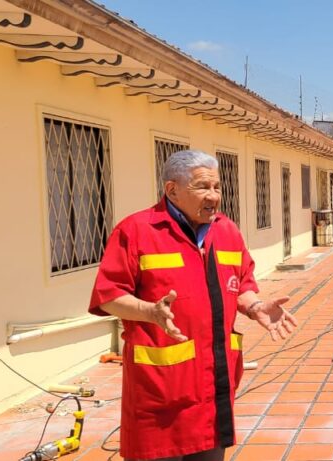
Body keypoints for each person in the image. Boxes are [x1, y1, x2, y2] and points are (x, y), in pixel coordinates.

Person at [88, 150, 298, 461]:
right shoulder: (137, 231)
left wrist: (254, 306)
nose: (214, 196)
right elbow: (107, 295)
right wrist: (149, 311)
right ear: (172, 190)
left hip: (213, 387)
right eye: (203, 187)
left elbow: (240, 284)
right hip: (160, 393)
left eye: (217, 187)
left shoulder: (226, 230)